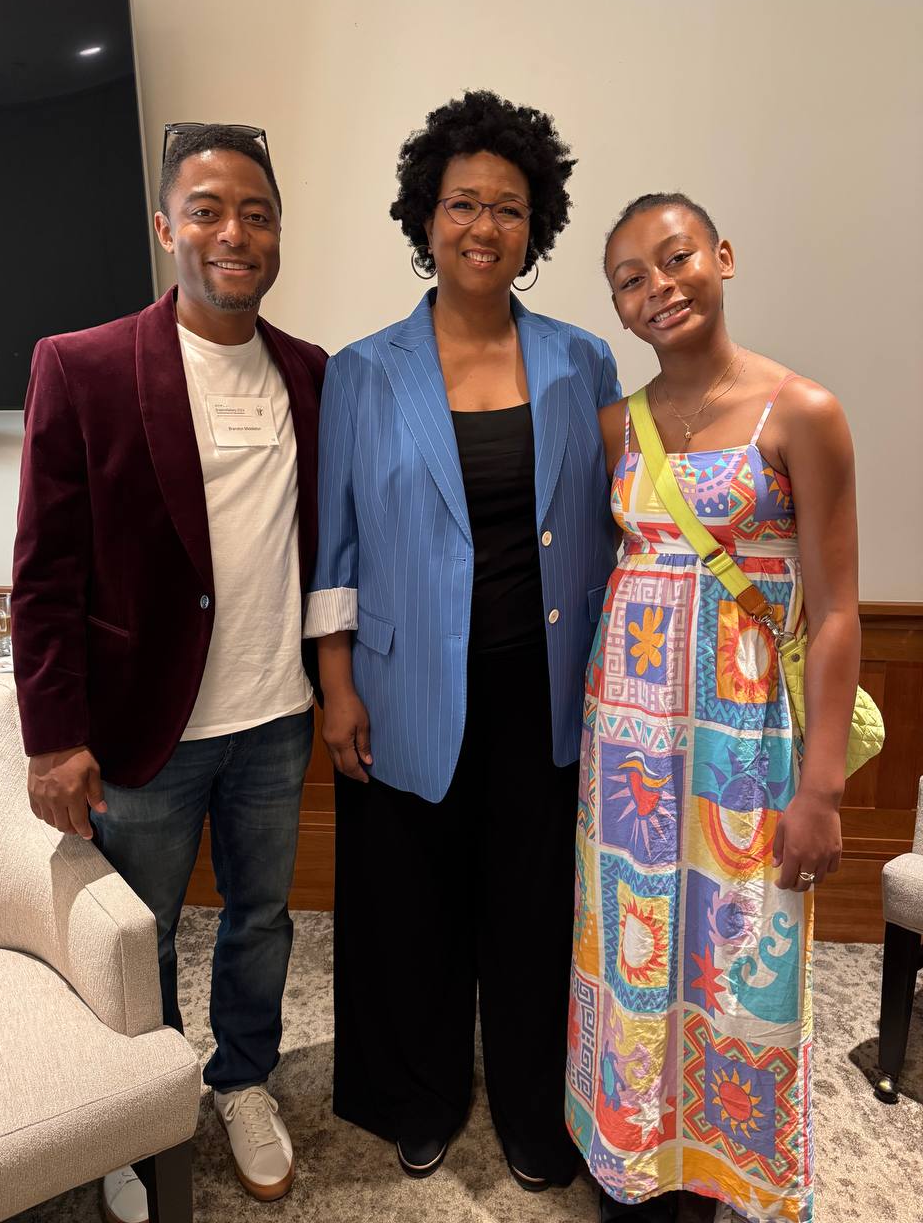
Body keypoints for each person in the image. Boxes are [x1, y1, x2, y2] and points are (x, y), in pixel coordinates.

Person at [304, 89, 620, 1190]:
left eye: (510, 208)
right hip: (399, 685)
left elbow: (617, 528)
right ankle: (422, 1090)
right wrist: (335, 684)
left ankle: (539, 1110)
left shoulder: (583, 363)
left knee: (536, 909)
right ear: (425, 216)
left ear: (537, 227)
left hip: (550, 689)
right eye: (463, 204)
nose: (485, 226)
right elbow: (335, 547)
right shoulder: (362, 370)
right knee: (412, 905)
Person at [11, 124, 326, 1222]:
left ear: (279, 231)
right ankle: (136, 1110)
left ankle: (240, 1080)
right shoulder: (82, 364)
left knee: (261, 919)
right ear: (165, 226)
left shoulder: (311, 374)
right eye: (206, 209)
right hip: (145, 728)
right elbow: (44, 568)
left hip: (277, 719)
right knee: (137, 930)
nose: (233, 232)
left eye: (256, 212)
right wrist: (52, 735)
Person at [567, 192, 859, 1223]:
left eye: (675, 257)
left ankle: (725, 1165)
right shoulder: (616, 425)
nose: (659, 287)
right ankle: (637, 1158)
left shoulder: (803, 412)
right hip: (632, 743)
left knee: (743, 955)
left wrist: (820, 786)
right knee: (636, 951)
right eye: (631, 280)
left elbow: (833, 613)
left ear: (722, 255)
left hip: (746, 743)